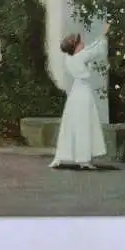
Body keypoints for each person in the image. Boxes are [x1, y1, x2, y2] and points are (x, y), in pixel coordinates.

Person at [49, 23, 110, 169]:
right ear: (76, 46)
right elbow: (95, 50)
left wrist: (100, 37)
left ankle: (63, 156)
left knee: (71, 123)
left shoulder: (70, 58)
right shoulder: (80, 57)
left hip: (76, 92)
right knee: (84, 123)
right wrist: (104, 34)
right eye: (80, 42)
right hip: (83, 93)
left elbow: (90, 49)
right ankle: (83, 159)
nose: (83, 43)